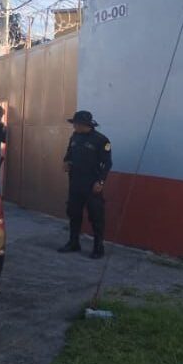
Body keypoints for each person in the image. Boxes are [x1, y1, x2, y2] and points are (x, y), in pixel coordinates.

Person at [59, 110, 112, 259]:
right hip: (75, 183)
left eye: (76, 124)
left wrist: (101, 181)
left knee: (96, 216)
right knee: (73, 213)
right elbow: (69, 153)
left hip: (92, 184)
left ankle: (98, 247)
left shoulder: (101, 140)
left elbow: (107, 163)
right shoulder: (75, 137)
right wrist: (66, 161)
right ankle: (73, 242)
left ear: (85, 124)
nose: (74, 126)